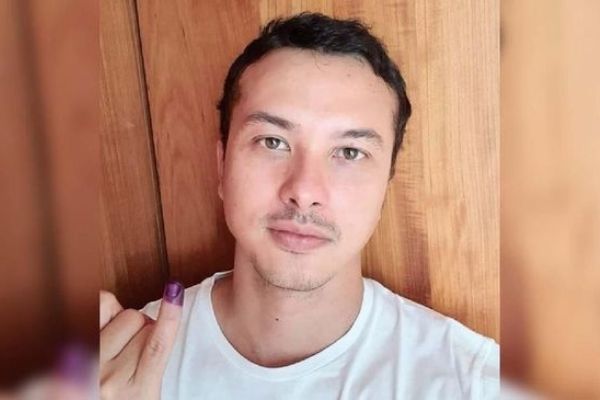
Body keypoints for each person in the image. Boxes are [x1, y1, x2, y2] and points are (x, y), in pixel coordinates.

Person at [100, 12, 499, 399]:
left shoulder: (472, 384)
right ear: (222, 166)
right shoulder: (113, 368)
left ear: (386, 183)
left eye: (349, 152)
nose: (304, 190)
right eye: (273, 142)